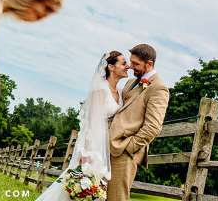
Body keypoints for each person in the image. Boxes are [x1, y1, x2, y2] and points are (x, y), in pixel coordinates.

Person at [36, 51, 129, 201]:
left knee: (97, 185)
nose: (128, 66)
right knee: (85, 181)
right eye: (124, 63)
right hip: (93, 145)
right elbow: (91, 124)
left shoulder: (119, 92)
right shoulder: (100, 89)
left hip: (108, 144)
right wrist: (86, 155)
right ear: (111, 67)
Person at [107, 44, 169, 200]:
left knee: (116, 197)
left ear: (149, 64)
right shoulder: (129, 83)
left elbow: (153, 127)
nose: (130, 66)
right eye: (130, 62)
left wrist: (128, 147)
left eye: (136, 64)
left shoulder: (159, 88)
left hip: (125, 151)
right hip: (108, 145)